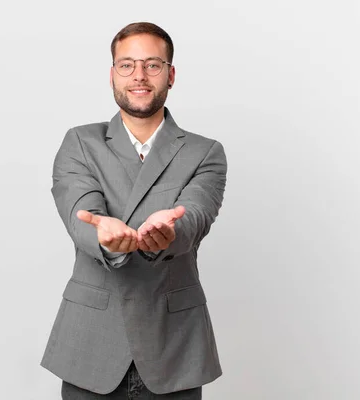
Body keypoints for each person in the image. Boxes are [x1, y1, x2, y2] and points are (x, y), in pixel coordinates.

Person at [41, 22, 227, 399]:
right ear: (112, 75)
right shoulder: (80, 142)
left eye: (152, 65)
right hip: (91, 345)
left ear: (171, 74)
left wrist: (171, 231)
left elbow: (196, 214)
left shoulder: (204, 152)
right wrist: (105, 237)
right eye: (126, 65)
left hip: (173, 348)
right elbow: (79, 212)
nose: (139, 76)